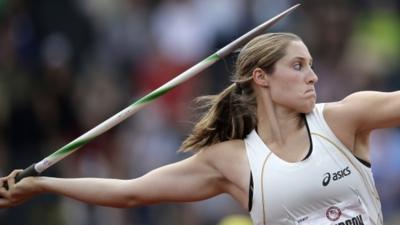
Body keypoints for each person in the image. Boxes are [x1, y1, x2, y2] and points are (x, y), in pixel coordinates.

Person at [0, 32, 390, 224]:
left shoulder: (344, 118)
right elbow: (131, 193)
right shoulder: (232, 160)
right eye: (299, 66)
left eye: (312, 64)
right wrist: (42, 184)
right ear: (262, 78)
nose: (314, 77)